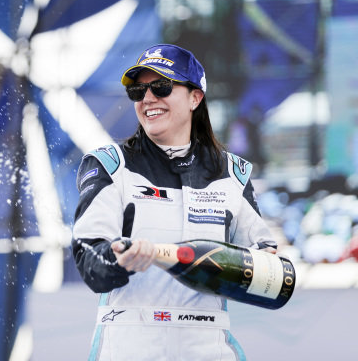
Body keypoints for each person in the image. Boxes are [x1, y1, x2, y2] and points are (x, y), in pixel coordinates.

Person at [71, 44, 277, 361]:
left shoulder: (232, 175)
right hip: (129, 347)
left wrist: (260, 265)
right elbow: (88, 260)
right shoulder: (110, 165)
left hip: (208, 349)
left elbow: (270, 279)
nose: (148, 98)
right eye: (138, 90)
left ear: (195, 97)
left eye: (162, 86)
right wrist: (118, 259)